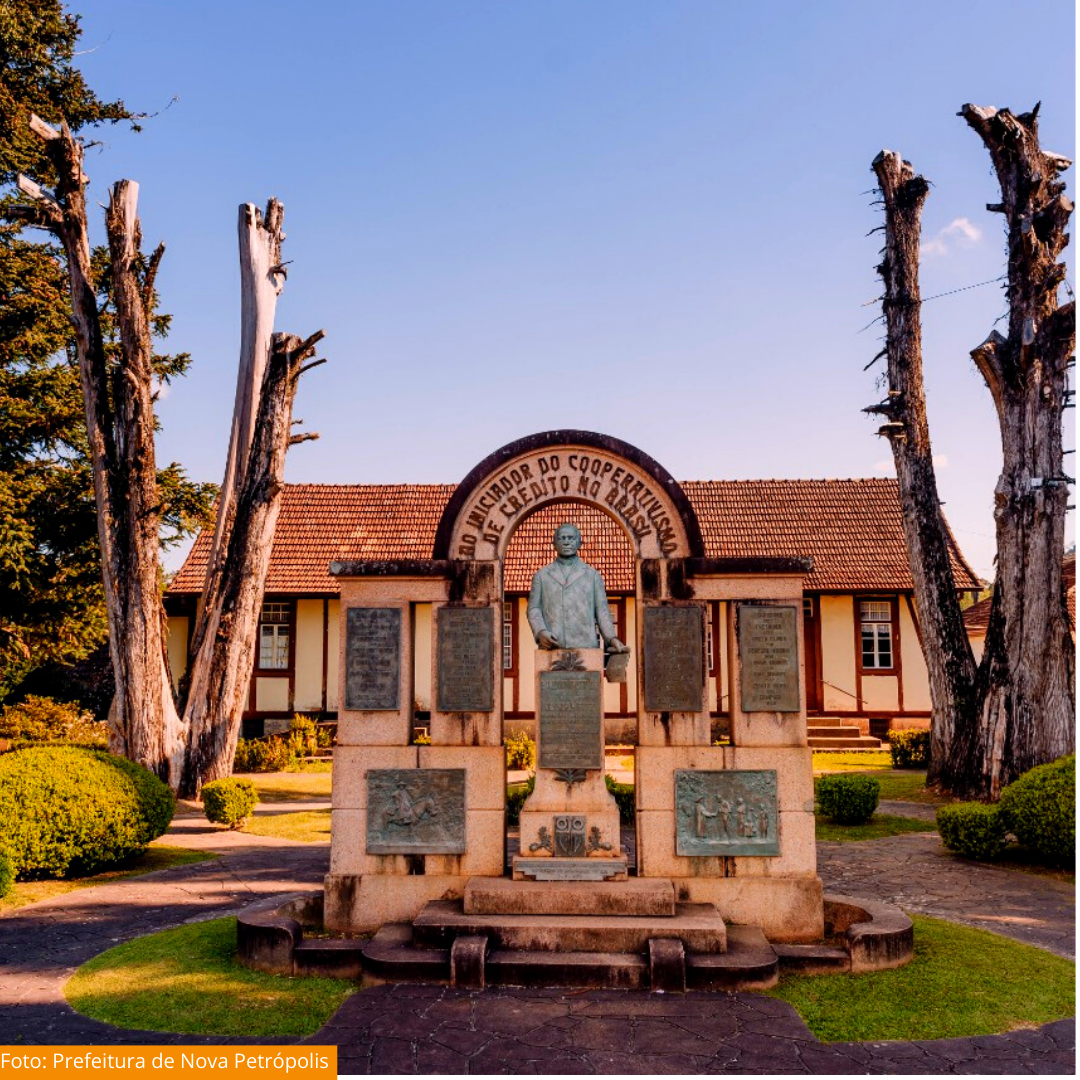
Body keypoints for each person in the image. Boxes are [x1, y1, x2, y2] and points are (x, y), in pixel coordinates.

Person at [527, 523, 630, 652]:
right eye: (562, 538)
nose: (566, 542)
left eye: (571, 538)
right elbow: (534, 609)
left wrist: (611, 638)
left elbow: (602, 611)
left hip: (586, 644)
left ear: (579, 543)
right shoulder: (541, 576)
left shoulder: (592, 575)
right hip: (553, 642)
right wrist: (540, 631)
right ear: (554, 544)